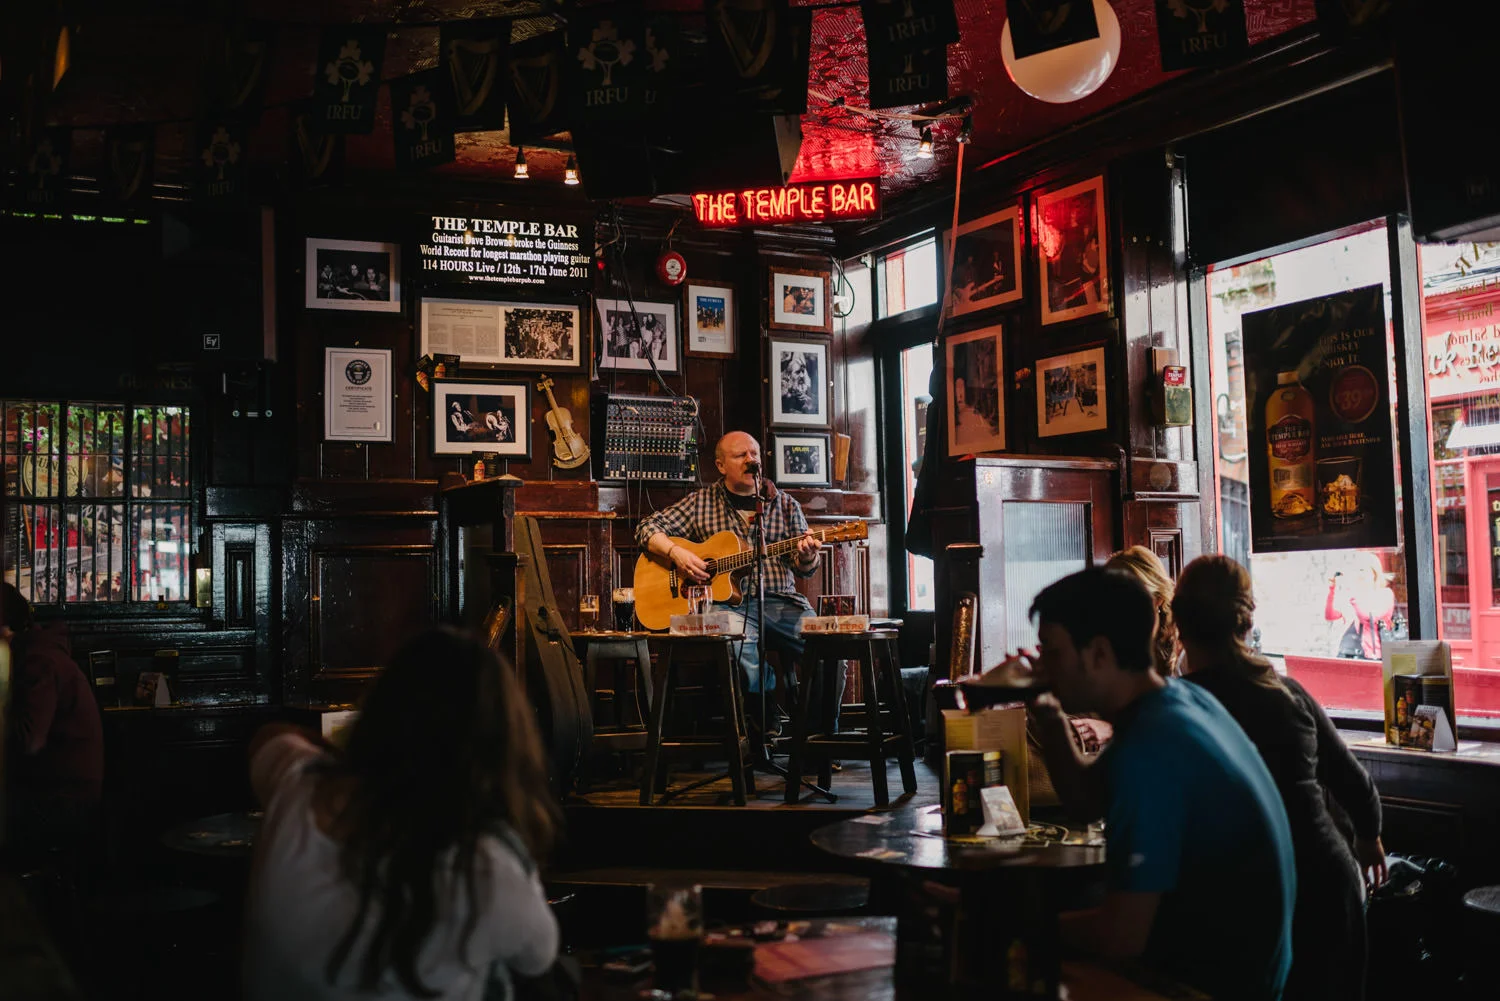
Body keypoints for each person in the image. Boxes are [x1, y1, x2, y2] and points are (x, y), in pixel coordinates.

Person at [1019, 568, 1295, 1001]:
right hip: (1252, 976)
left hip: (1208, 987)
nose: (1044, 667)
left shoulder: (1150, 747)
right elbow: (1085, 801)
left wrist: (1002, 923)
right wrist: (1050, 713)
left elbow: (1119, 937)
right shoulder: (1179, 699)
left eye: (1052, 653)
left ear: (1099, 654)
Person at [243, 627, 560, 1001]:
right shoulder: (488, 867)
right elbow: (539, 958)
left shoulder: (297, 785)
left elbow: (270, 736)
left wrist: (351, 764)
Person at [1174, 556, 1386, 1001]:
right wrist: (1369, 841)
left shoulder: (1179, 709)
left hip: (1243, 900)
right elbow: (1354, 783)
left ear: (1178, 623)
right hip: (1325, 886)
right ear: (1246, 620)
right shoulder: (1283, 691)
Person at [635, 432, 821, 699]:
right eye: (740, 455)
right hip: (725, 606)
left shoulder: (786, 505)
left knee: (828, 646)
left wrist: (807, 556)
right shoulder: (700, 503)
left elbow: (806, 569)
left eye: (754, 454)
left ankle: (818, 733)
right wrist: (677, 554)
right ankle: (763, 725)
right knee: (740, 646)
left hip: (781, 602)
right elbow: (646, 527)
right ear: (721, 466)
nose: (750, 460)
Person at [0, 583, 103, 870]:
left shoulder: (37, 661)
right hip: (60, 795)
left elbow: (29, 740)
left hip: (64, 803)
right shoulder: (36, 654)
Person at [1106, 546, 1179, 676]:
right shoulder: (1103, 651)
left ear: (1158, 600)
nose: (1117, 608)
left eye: (1130, 597)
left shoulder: (1183, 655)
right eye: (1110, 596)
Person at [1325, 552, 1396, 660]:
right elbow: (1330, 615)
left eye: (1362, 570)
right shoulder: (1356, 596)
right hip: (1352, 653)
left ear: (1374, 573)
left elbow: (1368, 616)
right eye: (1356, 570)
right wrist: (1332, 590)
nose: (1358, 574)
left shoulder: (1385, 594)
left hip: (1376, 656)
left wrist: (1353, 595)